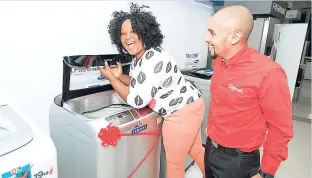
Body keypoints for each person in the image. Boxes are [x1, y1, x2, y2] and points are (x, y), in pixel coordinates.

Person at [99, 3, 205, 178]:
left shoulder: (152, 60)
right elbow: (139, 83)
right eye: (123, 33)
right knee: (196, 151)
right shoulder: (140, 57)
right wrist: (119, 76)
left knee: (174, 164)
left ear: (145, 32)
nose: (127, 37)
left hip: (180, 113)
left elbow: (136, 100)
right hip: (192, 103)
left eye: (133, 31)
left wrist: (111, 78)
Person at [204, 5, 294, 178]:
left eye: (212, 33)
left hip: (238, 162)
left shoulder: (268, 73)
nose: (206, 38)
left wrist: (266, 172)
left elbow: (281, 128)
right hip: (211, 148)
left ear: (235, 37)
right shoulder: (219, 63)